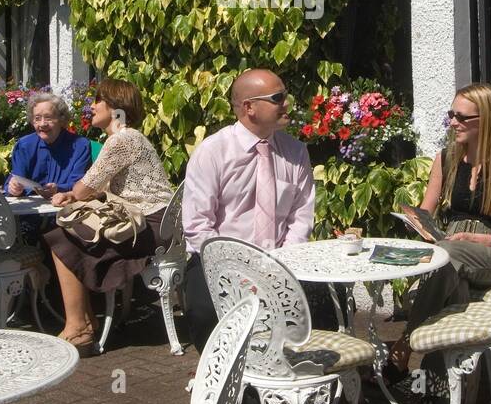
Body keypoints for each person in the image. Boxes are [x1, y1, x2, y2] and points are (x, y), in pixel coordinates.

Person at [385, 82, 491, 384]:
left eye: (462, 117)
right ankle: (442, 387)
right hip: (452, 252)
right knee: (453, 277)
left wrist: (482, 239)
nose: (453, 122)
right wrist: (414, 220)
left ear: (486, 120)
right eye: (451, 115)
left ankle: (404, 343)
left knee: (449, 256)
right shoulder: (446, 159)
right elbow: (425, 210)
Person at [182, 68, 316, 349]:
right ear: (249, 108)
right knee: (205, 312)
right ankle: (220, 376)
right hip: (219, 261)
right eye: (277, 97)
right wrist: (238, 271)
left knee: (322, 304)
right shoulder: (213, 152)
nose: (287, 103)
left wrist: (281, 265)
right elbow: (198, 226)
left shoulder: (295, 152)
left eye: (285, 95)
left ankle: (289, 378)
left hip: (279, 259)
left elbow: (301, 216)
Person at [42, 78, 173, 355]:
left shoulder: (121, 139)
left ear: (115, 106)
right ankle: (83, 324)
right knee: (67, 236)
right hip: (157, 222)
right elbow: (95, 188)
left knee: (61, 237)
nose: (92, 106)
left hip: (148, 225)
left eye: (97, 100)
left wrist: (73, 194)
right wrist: (75, 194)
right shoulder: (131, 137)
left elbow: (84, 187)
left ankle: (79, 328)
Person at [5, 92, 92, 199]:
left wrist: (58, 188)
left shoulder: (80, 146)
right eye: (37, 118)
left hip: (66, 209)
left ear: (61, 119)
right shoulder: (24, 145)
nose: (42, 124)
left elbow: (81, 183)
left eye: (48, 118)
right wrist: (14, 187)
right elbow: (17, 178)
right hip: (29, 212)